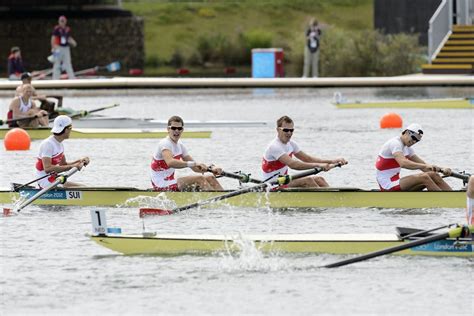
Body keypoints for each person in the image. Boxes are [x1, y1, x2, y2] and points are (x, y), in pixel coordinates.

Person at [262, 115, 347, 188]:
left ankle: (334, 199)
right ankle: (324, 202)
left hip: (284, 180)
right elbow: (293, 165)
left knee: (319, 179)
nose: (289, 133)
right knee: (308, 181)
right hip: (272, 184)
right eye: (286, 130)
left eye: (291, 130)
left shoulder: (291, 144)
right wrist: (319, 165)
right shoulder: (274, 147)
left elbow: (308, 159)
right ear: (278, 130)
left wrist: (332, 161)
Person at [150, 116, 223, 191]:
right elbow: (170, 162)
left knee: (210, 178)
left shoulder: (180, 146)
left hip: (171, 181)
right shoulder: (165, 143)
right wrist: (194, 164)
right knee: (200, 179)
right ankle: (212, 201)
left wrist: (211, 168)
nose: (177, 131)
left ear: (182, 130)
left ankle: (224, 199)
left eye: (179, 128)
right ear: (168, 129)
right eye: (173, 128)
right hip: (161, 184)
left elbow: (195, 168)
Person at [375, 123, 452, 191]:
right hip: (387, 185)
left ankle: (452, 197)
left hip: (396, 182)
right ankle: (442, 201)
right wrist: (426, 166)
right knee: (424, 177)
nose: (414, 142)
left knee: (433, 174)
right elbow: (403, 163)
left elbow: (424, 167)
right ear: (406, 132)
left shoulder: (407, 148)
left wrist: (442, 169)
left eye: (417, 140)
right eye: (414, 138)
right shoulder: (395, 143)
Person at [36, 115, 89, 189]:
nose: (71, 130)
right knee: (83, 189)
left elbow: (63, 164)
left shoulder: (60, 144)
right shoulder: (48, 144)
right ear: (66, 129)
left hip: (54, 179)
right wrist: (72, 166)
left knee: (84, 187)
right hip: (45, 182)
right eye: (70, 128)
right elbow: (47, 169)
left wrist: (79, 161)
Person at [51, 15, 77, 80]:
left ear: (65, 21)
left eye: (63, 21)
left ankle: (72, 79)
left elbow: (68, 38)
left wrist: (73, 42)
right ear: (59, 22)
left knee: (68, 63)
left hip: (66, 48)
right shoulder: (56, 29)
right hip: (58, 48)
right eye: (61, 21)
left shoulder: (67, 29)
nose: (62, 22)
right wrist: (53, 47)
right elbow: (53, 38)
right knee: (57, 64)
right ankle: (55, 80)